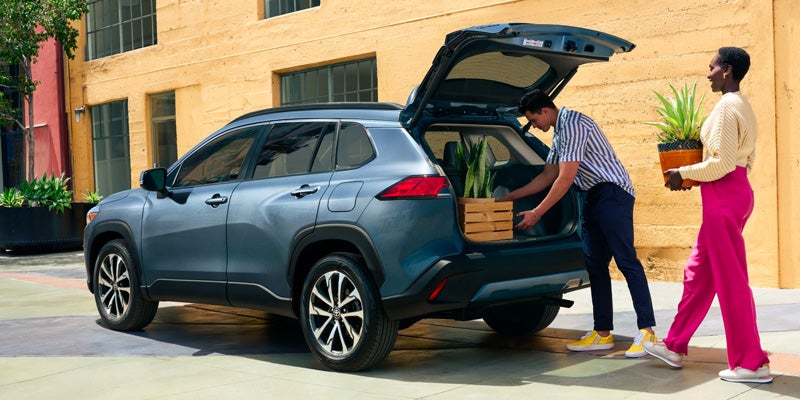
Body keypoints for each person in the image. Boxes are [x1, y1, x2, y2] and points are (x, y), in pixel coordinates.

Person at [644, 47, 772, 383]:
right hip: (731, 192)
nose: (708, 73)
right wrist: (700, 177)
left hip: (724, 195)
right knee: (699, 273)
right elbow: (744, 160)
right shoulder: (742, 105)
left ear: (727, 70)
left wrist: (682, 173)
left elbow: (723, 163)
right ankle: (674, 345)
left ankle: (751, 364)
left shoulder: (728, 106)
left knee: (731, 283)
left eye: (712, 67)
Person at [501, 89, 657, 357]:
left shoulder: (573, 123)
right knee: (595, 265)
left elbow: (565, 178)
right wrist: (509, 197)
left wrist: (537, 213)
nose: (534, 126)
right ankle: (602, 333)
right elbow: (548, 176)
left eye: (533, 120)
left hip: (612, 193)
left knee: (626, 261)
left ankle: (647, 331)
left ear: (545, 111)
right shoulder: (558, 133)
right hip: (591, 196)